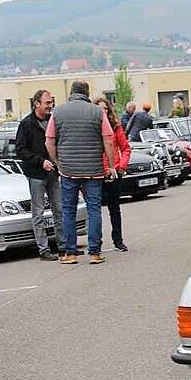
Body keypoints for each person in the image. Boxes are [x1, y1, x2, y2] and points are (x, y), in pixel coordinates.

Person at [45, 81, 118, 265]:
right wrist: (110, 166)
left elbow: (49, 141)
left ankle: (70, 253)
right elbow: (108, 141)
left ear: (71, 92)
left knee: (68, 211)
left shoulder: (58, 112)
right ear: (87, 93)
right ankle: (94, 252)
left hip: (68, 171)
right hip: (93, 169)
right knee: (94, 209)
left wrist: (57, 162)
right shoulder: (97, 111)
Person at [15, 89, 64, 261]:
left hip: (53, 172)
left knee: (59, 209)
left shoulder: (53, 121)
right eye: (47, 103)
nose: (50, 106)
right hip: (36, 174)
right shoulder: (26, 124)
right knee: (38, 211)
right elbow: (20, 150)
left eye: (51, 103)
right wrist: (39, 161)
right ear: (37, 103)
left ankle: (63, 246)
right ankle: (43, 249)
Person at [94, 97, 131, 252]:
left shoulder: (116, 127)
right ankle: (96, 242)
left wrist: (121, 167)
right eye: (99, 109)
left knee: (114, 208)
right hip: (97, 173)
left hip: (114, 172)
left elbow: (126, 148)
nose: (103, 112)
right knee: (95, 209)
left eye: (105, 109)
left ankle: (118, 239)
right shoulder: (92, 128)